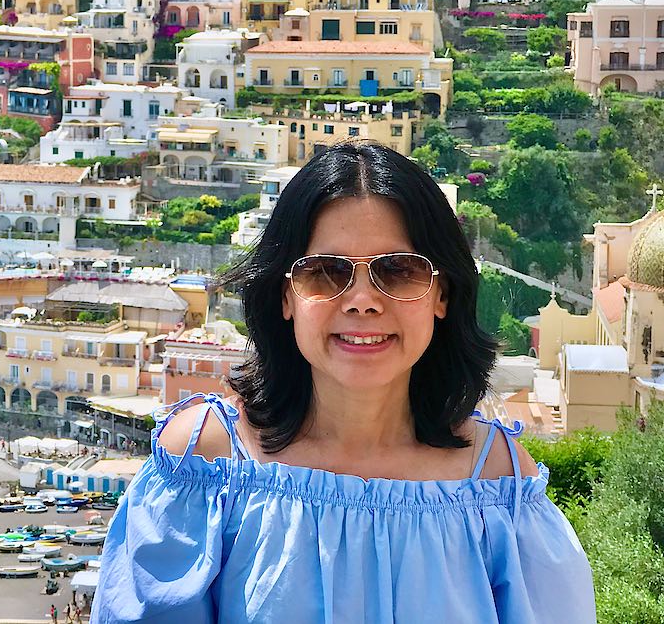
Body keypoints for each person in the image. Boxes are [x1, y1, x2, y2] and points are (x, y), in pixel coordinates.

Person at [91, 142, 597, 624]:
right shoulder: (204, 464)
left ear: (441, 295)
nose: (362, 301)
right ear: (286, 297)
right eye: (327, 273)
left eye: (398, 272)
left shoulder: (498, 487)